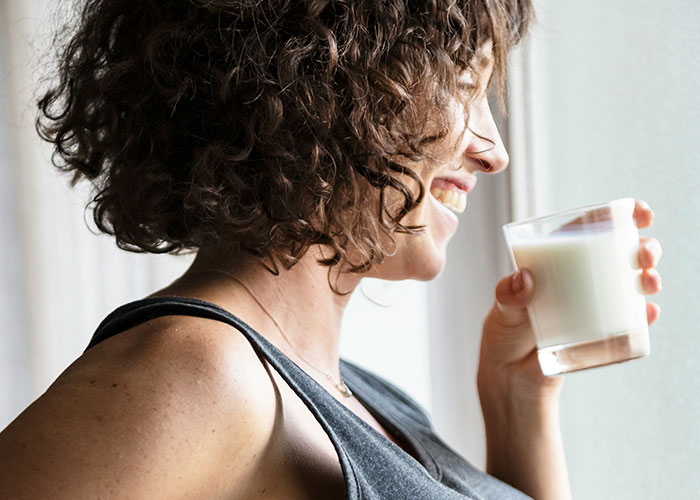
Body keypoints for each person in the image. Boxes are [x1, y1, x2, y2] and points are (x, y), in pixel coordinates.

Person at [0, 1, 663, 499]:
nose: (495, 150)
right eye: (465, 85)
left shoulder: (365, 397)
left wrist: (519, 395)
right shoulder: (200, 371)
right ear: (333, 83)